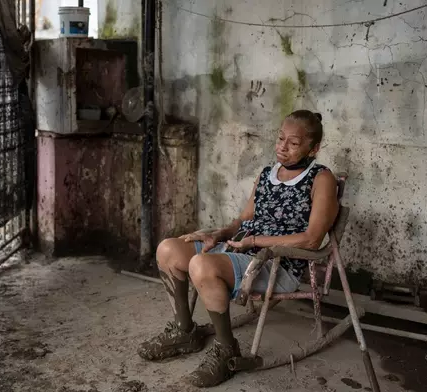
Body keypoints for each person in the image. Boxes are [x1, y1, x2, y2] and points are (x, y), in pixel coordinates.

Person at [138, 109, 340, 387]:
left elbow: (311, 239)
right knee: (168, 249)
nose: (282, 147)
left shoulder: (321, 178)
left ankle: (226, 349)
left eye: (293, 143)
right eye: (280, 138)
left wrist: (254, 242)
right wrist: (218, 233)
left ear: (314, 148)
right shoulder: (268, 174)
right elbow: (245, 220)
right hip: (243, 250)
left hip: (278, 264)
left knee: (201, 265)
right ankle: (184, 331)